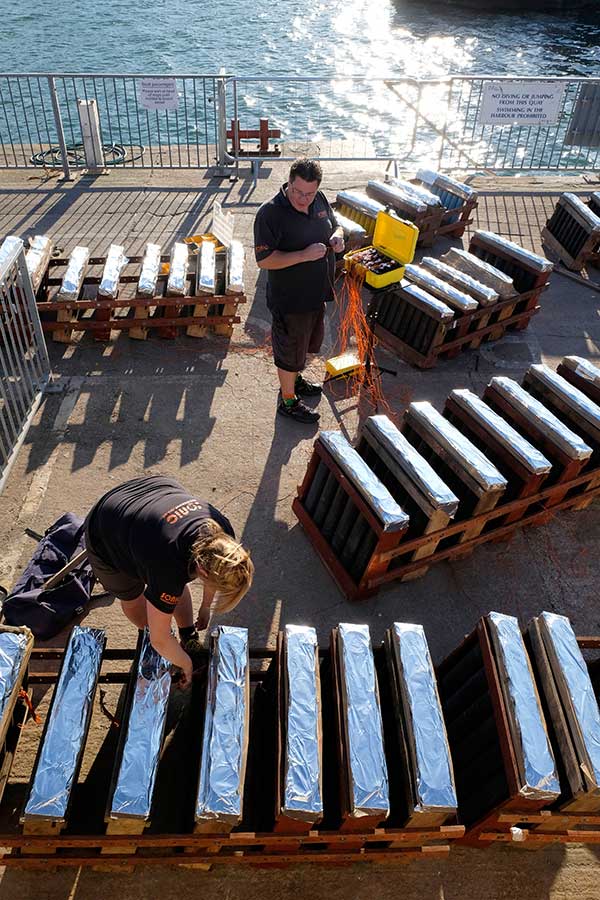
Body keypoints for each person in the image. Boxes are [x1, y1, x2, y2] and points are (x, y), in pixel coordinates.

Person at [84, 475, 254, 688]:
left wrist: (205, 606)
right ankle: (151, 630)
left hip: (154, 495)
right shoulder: (168, 565)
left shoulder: (223, 536)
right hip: (107, 527)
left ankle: (186, 634)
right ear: (203, 569)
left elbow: (209, 574)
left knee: (173, 584)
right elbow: (160, 638)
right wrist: (186, 664)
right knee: (132, 595)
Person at [254, 157, 345, 424]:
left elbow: (334, 222)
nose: (303, 199)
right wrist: (303, 256)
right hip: (290, 298)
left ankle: (296, 379)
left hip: (317, 293)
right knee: (289, 350)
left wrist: (337, 236)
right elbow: (264, 260)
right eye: (298, 192)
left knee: (304, 345)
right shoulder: (269, 214)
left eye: (310, 193)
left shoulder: (319, 200)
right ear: (288, 183)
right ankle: (288, 400)